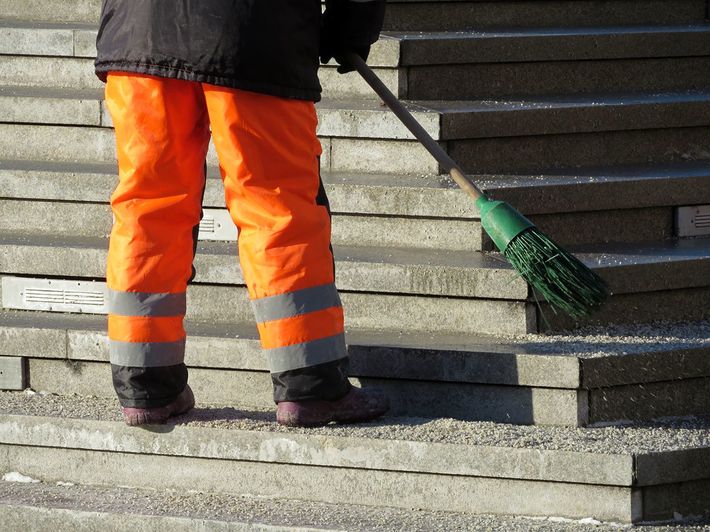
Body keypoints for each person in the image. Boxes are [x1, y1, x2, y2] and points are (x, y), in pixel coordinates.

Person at [94, 0, 389, 427]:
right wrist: (350, 28)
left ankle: (146, 386)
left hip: (139, 33)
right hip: (255, 33)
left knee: (148, 209)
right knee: (275, 210)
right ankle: (311, 386)